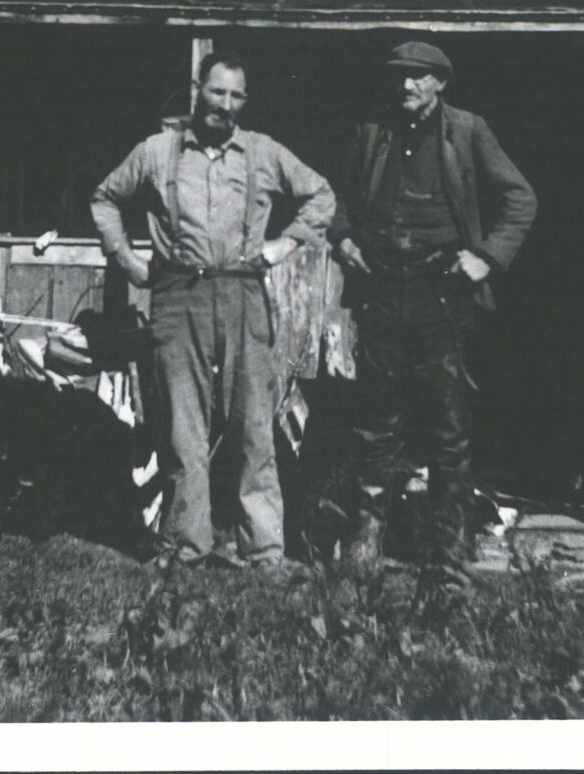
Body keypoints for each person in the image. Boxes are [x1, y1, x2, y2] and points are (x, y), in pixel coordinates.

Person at [91, 51, 335, 569]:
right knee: (183, 426)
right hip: (178, 296)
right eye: (216, 92)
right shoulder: (157, 152)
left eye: (236, 96)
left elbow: (321, 196)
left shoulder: (264, 153)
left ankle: (266, 551)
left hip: (244, 295)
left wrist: (283, 246)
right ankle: (185, 547)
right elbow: (105, 198)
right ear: (198, 88)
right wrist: (127, 259)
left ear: (244, 102)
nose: (224, 105)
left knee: (252, 426)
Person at [330, 40, 536, 599]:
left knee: (448, 430)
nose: (407, 87)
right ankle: (366, 545)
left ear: (440, 83)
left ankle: (447, 556)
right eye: (399, 77)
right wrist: (343, 238)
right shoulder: (371, 134)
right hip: (381, 291)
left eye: (419, 77)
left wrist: (486, 257)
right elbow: (338, 203)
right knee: (375, 424)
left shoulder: (468, 131)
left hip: (441, 296)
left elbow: (521, 198)